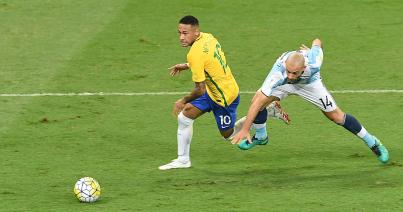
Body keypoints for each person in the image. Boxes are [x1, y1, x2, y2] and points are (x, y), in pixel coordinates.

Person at [158, 15, 290, 170]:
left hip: (224, 97)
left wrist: (183, 100)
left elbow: (199, 90)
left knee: (228, 134)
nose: (181, 37)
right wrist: (188, 65)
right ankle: (183, 160)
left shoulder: (194, 54)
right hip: (215, 89)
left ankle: (266, 110)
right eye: (179, 33)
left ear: (195, 32)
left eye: (185, 33)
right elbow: (208, 60)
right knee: (185, 116)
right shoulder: (208, 37)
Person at [231, 38, 389, 164]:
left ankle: (373, 142)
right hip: (284, 85)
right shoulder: (279, 73)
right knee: (257, 101)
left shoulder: (314, 62)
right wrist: (245, 129)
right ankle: (261, 136)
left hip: (310, 84)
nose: (291, 75)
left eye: (294, 73)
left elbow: (317, 41)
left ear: (303, 67)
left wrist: (313, 49)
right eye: (289, 71)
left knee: (336, 116)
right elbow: (259, 100)